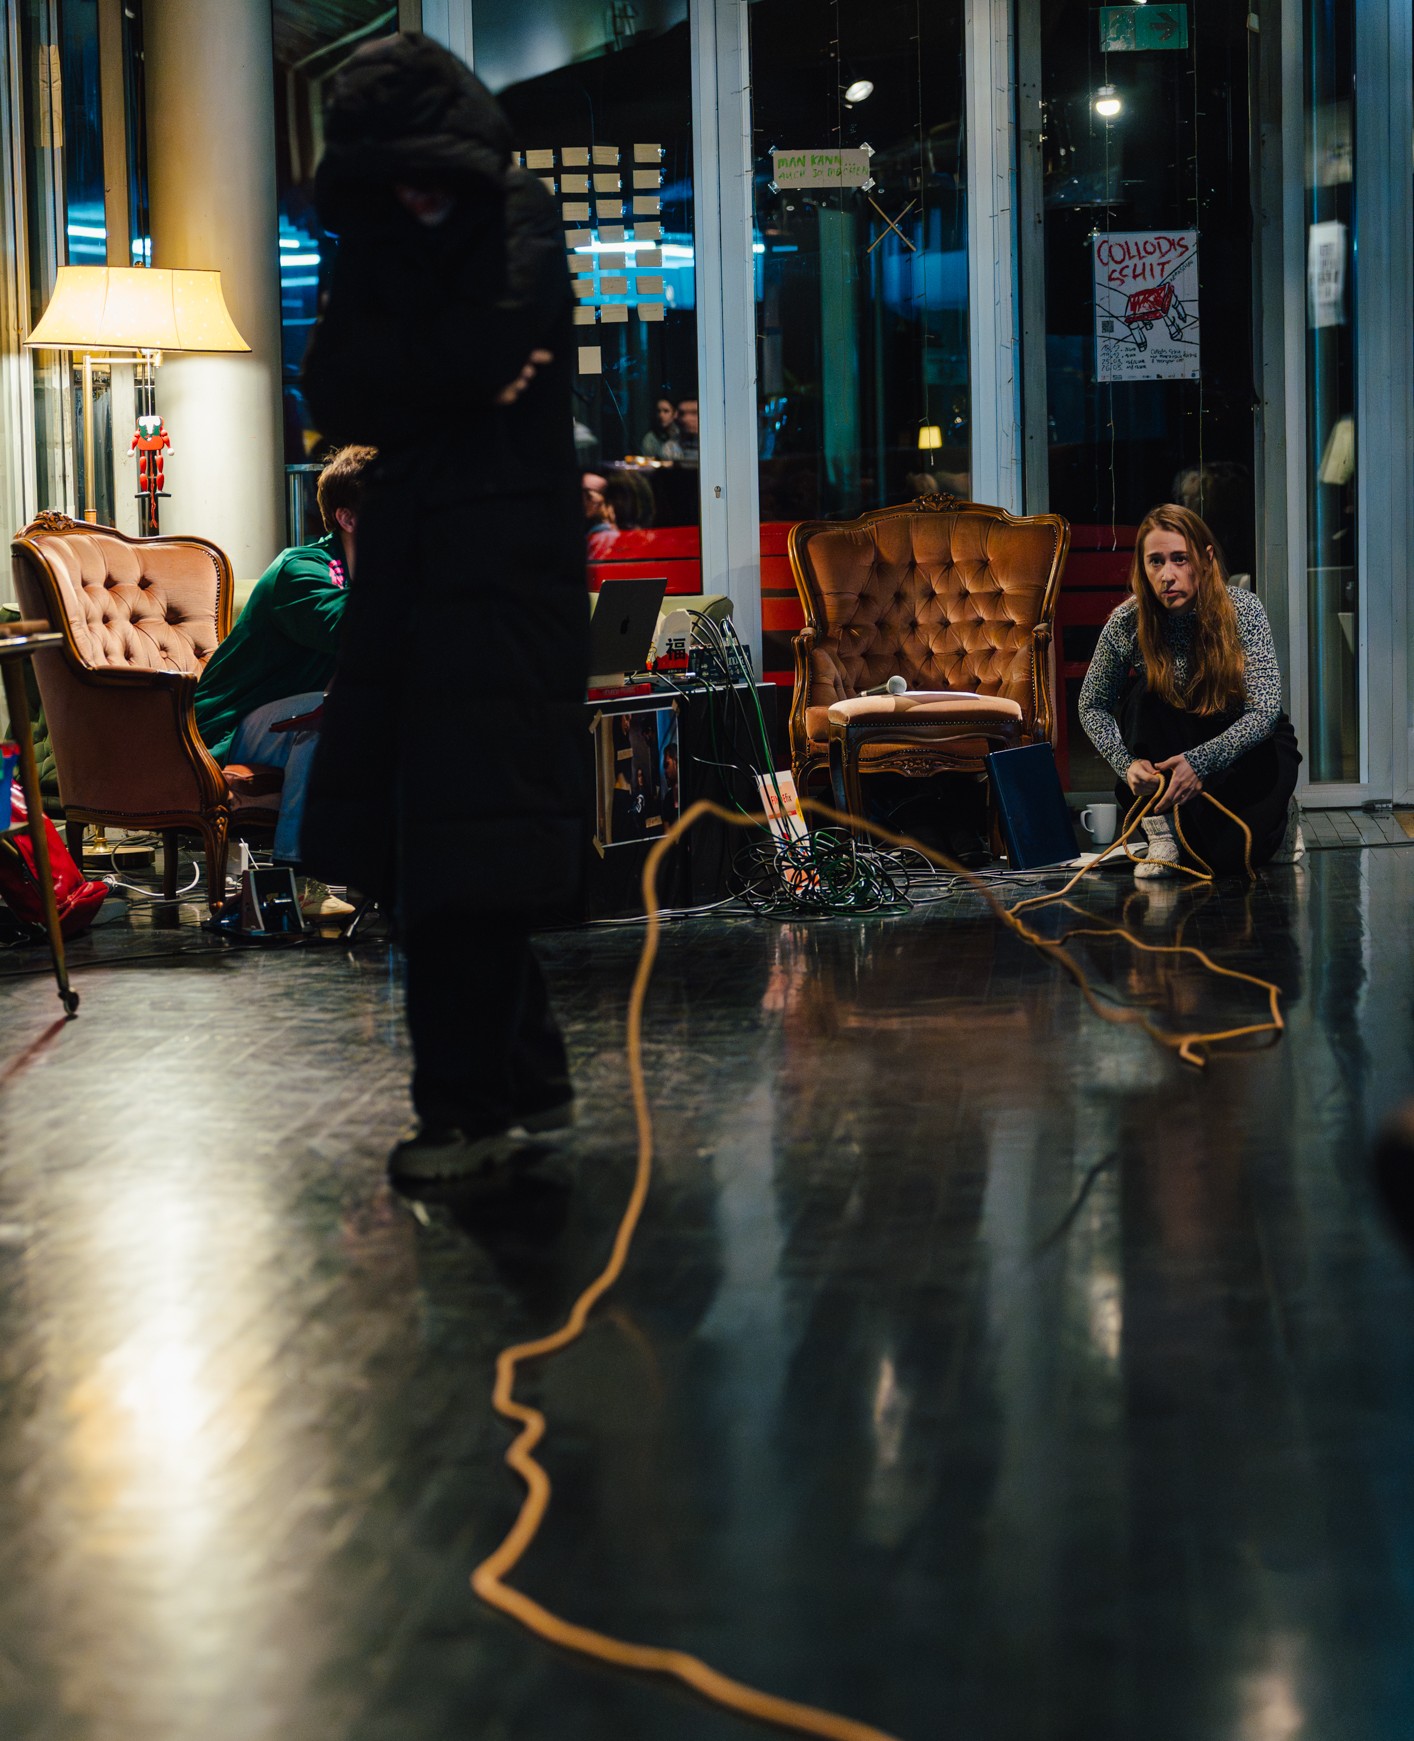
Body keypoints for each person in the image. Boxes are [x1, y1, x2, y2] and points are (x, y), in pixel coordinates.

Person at [299, 32, 588, 1183]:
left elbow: (460, 354)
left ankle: (465, 1111)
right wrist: (457, 372)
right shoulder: (379, 238)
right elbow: (336, 387)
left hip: (505, 566)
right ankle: (520, 1082)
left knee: (465, 836)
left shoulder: (517, 210)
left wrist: (416, 374)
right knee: (446, 833)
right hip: (423, 557)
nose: (411, 194)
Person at [194, 444, 377, 918]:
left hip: (295, 714)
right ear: (348, 518)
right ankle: (299, 878)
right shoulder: (302, 570)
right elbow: (357, 636)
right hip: (226, 728)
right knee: (338, 716)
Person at [1079, 503, 1302, 878]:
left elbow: (1264, 711)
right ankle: (1159, 829)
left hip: (1245, 751)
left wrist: (1200, 763)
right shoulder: (1127, 621)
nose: (1167, 574)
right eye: (1156, 562)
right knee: (1144, 698)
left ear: (1205, 559)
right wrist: (1126, 763)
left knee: (1230, 860)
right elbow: (1092, 705)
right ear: (1142, 568)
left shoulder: (1242, 609)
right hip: (1173, 743)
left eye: (1180, 559)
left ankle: (1284, 817)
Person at [640, 396, 681, 461]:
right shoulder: (650, 439)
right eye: (658, 411)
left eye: (666, 411)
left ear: (675, 413)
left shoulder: (682, 435)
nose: (661, 415)